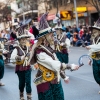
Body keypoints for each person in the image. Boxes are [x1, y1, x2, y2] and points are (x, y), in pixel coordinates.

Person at [29, 13, 79, 100]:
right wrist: (70, 66)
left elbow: (56, 62)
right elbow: (54, 64)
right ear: (44, 37)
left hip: (55, 81)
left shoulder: (49, 49)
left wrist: (64, 76)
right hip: (45, 83)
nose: (53, 37)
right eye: (51, 35)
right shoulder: (39, 52)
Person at [10, 27, 32, 100]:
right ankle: (21, 95)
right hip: (20, 69)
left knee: (28, 82)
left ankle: (29, 97)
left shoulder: (28, 47)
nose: (24, 40)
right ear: (19, 40)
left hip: (28, 68)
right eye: (22, 39)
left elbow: (32, 55)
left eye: (25, 39)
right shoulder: (16, 48)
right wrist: (19, 58)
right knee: (22, 82)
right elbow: (12, 58)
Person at [86, 22, 100, 93]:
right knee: (96, 75)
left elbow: (98, 47)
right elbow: (91, 51)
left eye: (95, 31)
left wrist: (90, 46)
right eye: (93, 31)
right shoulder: (92, 40)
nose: (93, 33)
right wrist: (90, 59)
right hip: (95, 59)